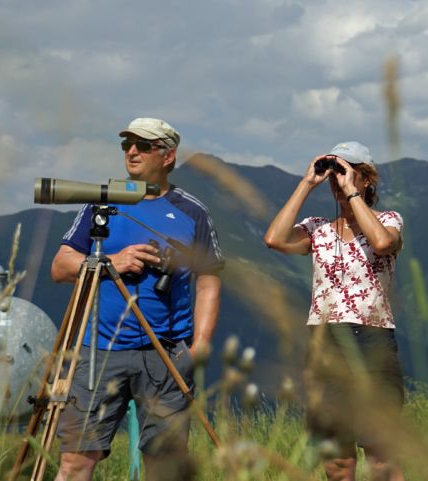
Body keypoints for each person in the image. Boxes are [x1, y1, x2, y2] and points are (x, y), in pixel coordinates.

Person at [51, 118, 224, 481]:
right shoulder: (102, 202)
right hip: (98, 349)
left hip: (167, 353)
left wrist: (201, 347)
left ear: (168, 156)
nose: (132, 151)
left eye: (143, 146)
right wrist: (111, 261)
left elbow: (208, 278)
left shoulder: (192, 211)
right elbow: (61, 267)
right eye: (127, 144)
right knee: (76, 461)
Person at [263, 141, 405, 481]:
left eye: (347, 172)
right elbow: (274, 239)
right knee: (336, 459)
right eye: (334, 174)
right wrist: (307, 183)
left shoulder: (389, 220)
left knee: (380, 454)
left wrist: (353, 195)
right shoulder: (317, 229)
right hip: (325, 342)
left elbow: (383, 244)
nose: (337, 180)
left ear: (367, 179)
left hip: (372, 340)